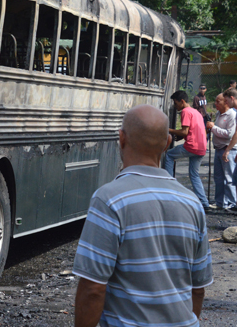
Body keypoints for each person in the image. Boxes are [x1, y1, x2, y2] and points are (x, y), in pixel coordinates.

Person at [74, 105, 213, 327]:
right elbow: (198, 288)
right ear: (168, 143)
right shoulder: (192, 202)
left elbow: (93, 288)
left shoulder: (109, 199)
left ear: (121, 139)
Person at [163, 91, 210, 211]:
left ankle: (169, 186)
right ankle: (204, 203)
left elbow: (184, 131)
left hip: (191, 146)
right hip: (202, 147)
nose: (175, 106)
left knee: (168, 155)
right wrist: (181, 135)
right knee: (194, 175)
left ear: (182, 101)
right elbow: (191, 131)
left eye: (175, 103)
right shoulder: (196, 112)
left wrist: (168, 130)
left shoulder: (185, 111)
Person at [206, 94, 237, 210]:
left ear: (225, 102)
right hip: (218, 148)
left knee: (229, 178)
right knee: (218, 178)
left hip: (228, 149)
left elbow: (230, 134)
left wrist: (213, 128)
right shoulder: (219, 113)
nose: (215, 103)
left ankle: (231, 203)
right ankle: (220, 202)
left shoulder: (232, 115)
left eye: (217, 101)